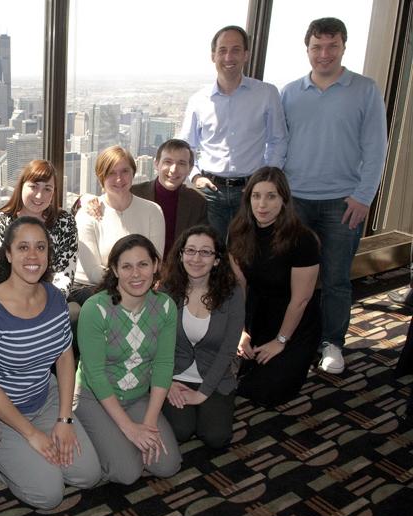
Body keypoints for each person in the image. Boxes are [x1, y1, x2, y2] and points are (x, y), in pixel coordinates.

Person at [0, 217, 101, 509]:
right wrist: (32, 434)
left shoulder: (54, 297)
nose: (33, 256)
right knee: (48, 495)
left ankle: (30, 457)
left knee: (88, 476)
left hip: (42, 396)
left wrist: (65, 420)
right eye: (23, 247)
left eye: (40, 247)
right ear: (9, 254)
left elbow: (65, 357)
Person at [281, 17, 387, 374]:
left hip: (344, 203)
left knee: (337, 278)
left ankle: (333, 343)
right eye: (317, 47)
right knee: (289, 275)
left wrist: (363, 196)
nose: (324, 54)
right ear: (307, 48)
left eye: (332, 46)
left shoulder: (365, 89)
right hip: (295, 201)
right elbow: (278, 146)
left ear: (343, 47)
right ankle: (293, 338)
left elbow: (377, 148)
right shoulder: (290, 93)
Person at [74, 234, 181, 484]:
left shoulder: (165, 307)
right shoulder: (95, 308)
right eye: (127, 266)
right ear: (114, 270)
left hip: (138, 396)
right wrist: (129, 428)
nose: (136, 274)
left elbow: (164, 365)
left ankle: (119, 443)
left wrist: (150, 423)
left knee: (168, 465)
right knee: (127, 473)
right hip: (94, 398)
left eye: (143, 264)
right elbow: (95, 374)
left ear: (156, 265)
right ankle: (96, 436)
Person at [180, 25, 287, 239]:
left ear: (246, 55)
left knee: (249, 256)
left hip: (251, 193)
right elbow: (186, 147)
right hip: (210, 193)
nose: (229, 56)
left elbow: (278, 140)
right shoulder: (199, 100)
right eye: (222, 50)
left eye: (236, 50)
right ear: (213, 56)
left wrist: (263, 181)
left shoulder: (266, 94)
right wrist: (195, 176)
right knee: (212, 255)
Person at [228, 167, 320, 408]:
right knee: (237, 379)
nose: (262, 204)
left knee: (267, 392)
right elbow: (238, 287)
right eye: (256, 196)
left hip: (294, 321)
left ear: (284, 200)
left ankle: (304, 354)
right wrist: (240, 330)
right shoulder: (238, 232)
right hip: (256, 315)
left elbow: (300, 300)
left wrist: (281, 340)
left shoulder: (303, 239)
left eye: (271, 196)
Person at [160, 226, 244, 448]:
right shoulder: (167, 290)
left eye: (206, 252)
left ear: (217, 260)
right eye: (190, 250)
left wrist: (203, 393)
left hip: (215, 377)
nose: (196, 258)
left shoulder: (232, 293)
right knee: (181, 431)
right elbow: (154, 343)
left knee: (216, 437)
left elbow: (228, 349)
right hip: (175, 375)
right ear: (181, 255)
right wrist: (166, 382)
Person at [73, 146, 165, 306]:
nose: (119, 179)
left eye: (124, 171)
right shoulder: (88, 213)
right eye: (111, 173)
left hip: (138, 286)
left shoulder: (153, 211)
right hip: (91, 288)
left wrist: (133, 283)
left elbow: (155, 260)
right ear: (101, 177)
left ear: (133, 173)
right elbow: (94, 271)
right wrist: (131, 282)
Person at [0, 159, 78, 297]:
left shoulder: (65, 222)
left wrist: (47, 303)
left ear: (54, 193)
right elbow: (1, 270)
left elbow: (64, 274)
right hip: (6, 299)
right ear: (21, 186)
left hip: (50, 300)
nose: (39, 195)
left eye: (47, 189)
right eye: (34, 186)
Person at [131, 139, 208, 255]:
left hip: (178, 269)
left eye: (181, 163)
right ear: (156, 164)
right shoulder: (134, 193)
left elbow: (200, 243)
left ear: (190, 169)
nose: (174, 169)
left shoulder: (197, 203)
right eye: (168, 162)